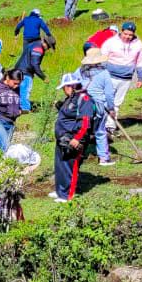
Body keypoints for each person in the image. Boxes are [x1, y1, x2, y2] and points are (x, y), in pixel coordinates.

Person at [52, 72, 95, 202]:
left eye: (64, 87)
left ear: (70, 86)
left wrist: (77, 138)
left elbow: (86, 122)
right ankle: (60, 191)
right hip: (62, 137)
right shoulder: (71, 98)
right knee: (60, 164)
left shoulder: (84, 99)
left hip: (73, 138)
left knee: (70, 166)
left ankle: (67, 195)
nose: (64, 91)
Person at [78, 50, 117, 166]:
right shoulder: (104, 73)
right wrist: (111, 109)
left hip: (82, 105)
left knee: (82, 131)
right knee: (100, 132)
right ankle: (103, 158)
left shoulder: (80, 71)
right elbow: (109, 94)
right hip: (98, 107)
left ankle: (79, 155)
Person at [100, 21, 142, 111]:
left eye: (130, 35)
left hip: (126, 78)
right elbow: (102, 57)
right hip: (110, 77)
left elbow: (140, 61)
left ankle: (111, 124)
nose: (127, 37)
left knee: (117, 103)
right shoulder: (111, 42)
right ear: (121, 31)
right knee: (106, 100)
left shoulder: (139, 44)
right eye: (125, 34)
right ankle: (101, 123)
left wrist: (140, 78)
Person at [16, 38, 49, 112]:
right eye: (48, 46)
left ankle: (16, 107)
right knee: (25, 91)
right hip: (26, 73)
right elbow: (34, 64)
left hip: (18, 70)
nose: (48, 48)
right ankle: (25, 109)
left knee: (18, 91)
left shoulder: (33, 44)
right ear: (44, 42)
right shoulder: (39, 49)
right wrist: (43, 77)